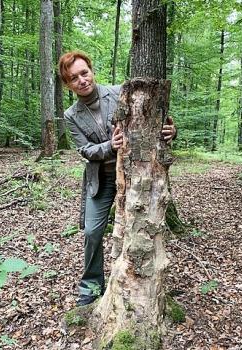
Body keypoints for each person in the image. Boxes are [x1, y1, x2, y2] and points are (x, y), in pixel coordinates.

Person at [58, 51, 176, 306]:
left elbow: (151, 120)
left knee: (142, 227)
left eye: (84, 73)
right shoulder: (71, 114)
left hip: (136, 175)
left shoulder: (120, 92)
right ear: (68, 84)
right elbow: (85, 150)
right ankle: (90, 286)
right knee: (92, 232)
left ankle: (139, 284)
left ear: (91, 70)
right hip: (101, 178)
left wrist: (169, 130)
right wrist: (109, 146)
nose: (82, 80)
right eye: (74, 78)